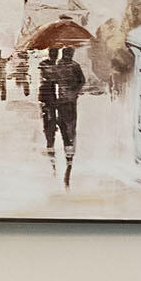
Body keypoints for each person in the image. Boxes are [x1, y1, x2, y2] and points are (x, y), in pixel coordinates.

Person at [37, 45, 88, 185]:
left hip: (67, 102)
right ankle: (61, 156)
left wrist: (73, 92)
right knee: (60, 128)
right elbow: (49, 77)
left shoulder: (72, 66)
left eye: (68, 53)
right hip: (59, 102)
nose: (66, 55)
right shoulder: (58, 65)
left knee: (68, 128)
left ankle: (67, 157)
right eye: (65, 53)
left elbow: (81, 81)